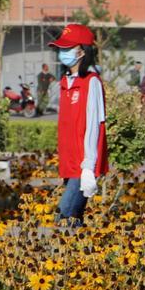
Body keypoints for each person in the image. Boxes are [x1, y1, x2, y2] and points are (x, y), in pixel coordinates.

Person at [48, 24, 107, 227]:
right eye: (61, 49)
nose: (62, 53)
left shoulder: (92, 82)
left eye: (67, 49)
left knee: (63, 217)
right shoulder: (65, 82)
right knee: (73, 222)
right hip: (69, 162)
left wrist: (89, 167)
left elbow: (94, 124)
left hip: (82, 165)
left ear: (82, 51)